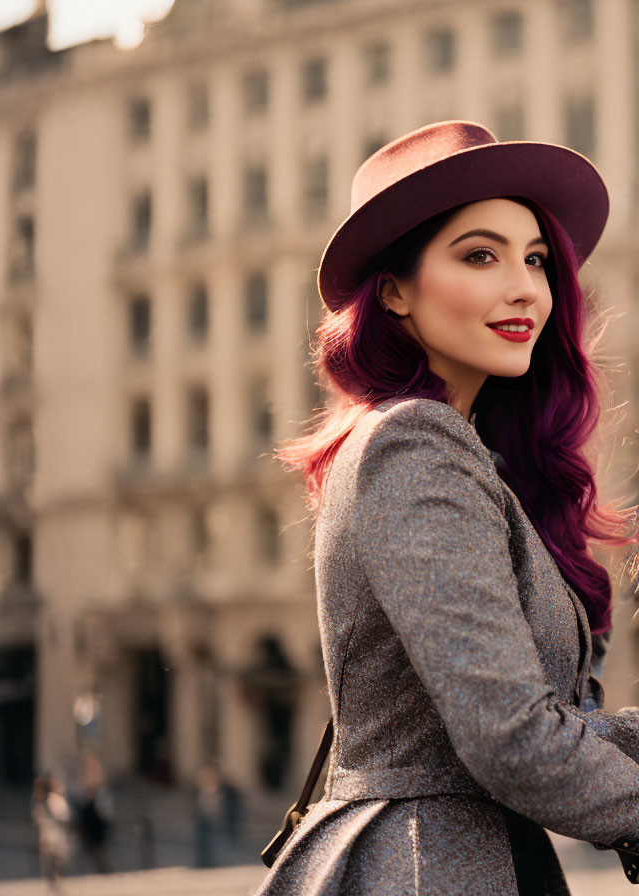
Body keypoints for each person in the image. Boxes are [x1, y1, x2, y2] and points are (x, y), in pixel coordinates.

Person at [255, 121, 639, 896]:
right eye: (480, 255)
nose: (525, 285)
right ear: (393, 290)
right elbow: (510, 738)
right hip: (425, 867)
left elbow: (537, 725)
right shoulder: (412, 443)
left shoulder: (469, 457)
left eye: (535, 259)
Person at [31, 772, 72, 889]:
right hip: (52, 831)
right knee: (53, 857)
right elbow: (62, 816)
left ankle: (54, 881)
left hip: (52, 831)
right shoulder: (49, 799)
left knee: (53, 858)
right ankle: (54, 881)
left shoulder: (49, 799)